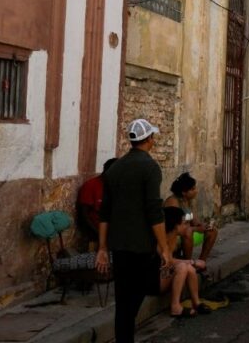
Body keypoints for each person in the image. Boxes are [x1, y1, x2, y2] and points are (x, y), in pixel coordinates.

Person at [96, 118, 172, 343]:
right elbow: (154, 210)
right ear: (149, 139)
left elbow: (105, 212)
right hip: (141, 246)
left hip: (119, 245)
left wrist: (102, 247)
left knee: (123, 302)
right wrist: (164, 247)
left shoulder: (115, 168)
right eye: (153, 137)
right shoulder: (150, 167)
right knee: (136, 296)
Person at [160, 207, 211, 318]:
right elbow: (169, 261)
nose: (187, 227)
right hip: (155, 281)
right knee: (183, 267)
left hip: (164, 275)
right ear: (175, 226)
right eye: (184, 224)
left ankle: (196, 302)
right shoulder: (162, 239)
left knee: (189, 268)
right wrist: (193, 261)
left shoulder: (173, 237)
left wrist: (191, 263)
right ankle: (175, 307)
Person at [165, 172, 219, 263]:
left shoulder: (188, 201)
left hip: (187, 232)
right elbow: (174, 227)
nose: (196, 191)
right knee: (188, 231)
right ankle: (188, 262)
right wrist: (194, 228)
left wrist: (204, 226)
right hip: (175, 234)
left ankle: (202, 262)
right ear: (184, 192)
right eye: (192, 189)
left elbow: (195, 221)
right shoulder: (173, 202)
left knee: (212, 230)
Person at [76, 157, 117, 243]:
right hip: (97, 229)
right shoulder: (91, 185)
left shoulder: (116, 185)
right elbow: (84, 215)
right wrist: (98, 233)